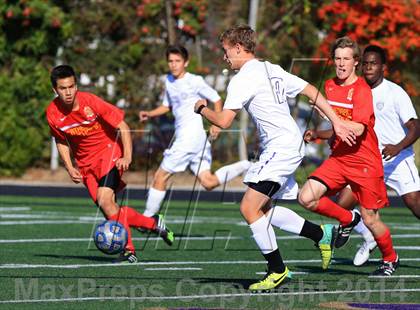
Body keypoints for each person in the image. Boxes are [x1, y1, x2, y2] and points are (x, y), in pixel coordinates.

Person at [194, 25, 356, 292]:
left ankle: (277, 270)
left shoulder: (243, 78)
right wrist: (336, 121)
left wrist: (201, 108)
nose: (225, 58)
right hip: (284, 145)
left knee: (249, 208)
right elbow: (310, 90)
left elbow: (223, 120)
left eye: (226, 52)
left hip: (281, 148)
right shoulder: (271, 68)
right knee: (264, 209)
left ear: (238, 48)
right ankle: (320, 234)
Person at [46, 65, 174, 264]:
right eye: (63, 88)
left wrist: (127, 157)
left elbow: (123, 126)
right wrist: (70, 167)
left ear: (76, 85)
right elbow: (60, 140)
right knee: (109, 208)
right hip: (85, 164)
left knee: (105, 201)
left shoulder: (90, 102)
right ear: (55, 90)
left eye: (71, 86)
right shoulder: (53, 113)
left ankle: (129, 250)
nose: (69, 92)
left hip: (109, 152)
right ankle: (154, 223)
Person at [307, 45, 420, 266]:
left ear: (383, 67)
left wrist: (397, 148)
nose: (369, 67)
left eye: (373, 63)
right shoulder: (355, 90)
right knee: (344, 204)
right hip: (365, 160)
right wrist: (319, 134)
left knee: (414, 203)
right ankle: (369, 238)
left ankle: (375, 241)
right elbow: (344, 127)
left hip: (395, 159)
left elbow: (416, 127)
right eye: (366, 63)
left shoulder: (394, 92)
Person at [139, 44, 251, 217]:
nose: (173, 64)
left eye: (177, 61)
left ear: (186, 62)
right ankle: (247, 165)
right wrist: (150, 113)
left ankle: (147, 219)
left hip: (189, 138)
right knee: (209, 182)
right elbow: (166, 106)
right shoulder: (169, 81)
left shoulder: (194, 80)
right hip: (197, 140)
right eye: (170, 61)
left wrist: (217, 124)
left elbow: (216, 99)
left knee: (159, 176)